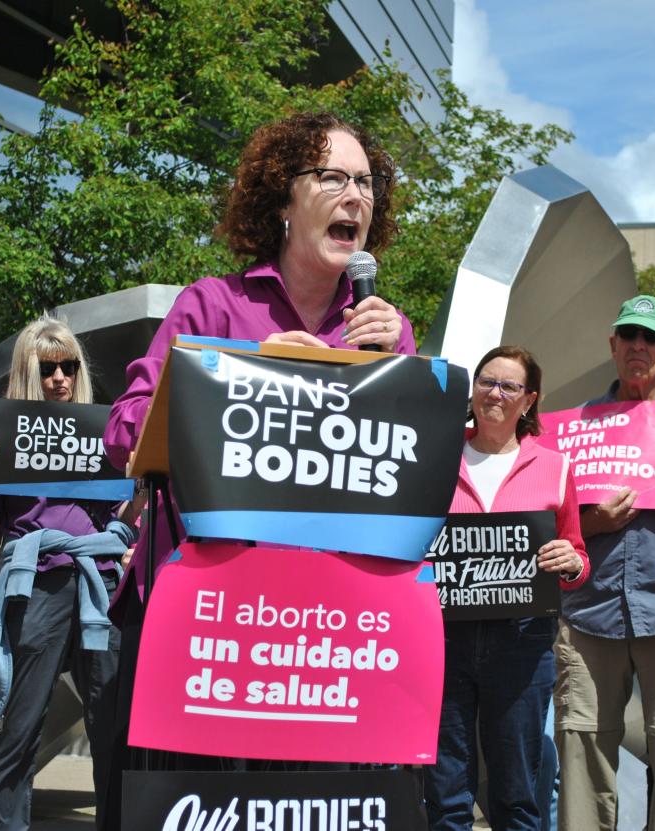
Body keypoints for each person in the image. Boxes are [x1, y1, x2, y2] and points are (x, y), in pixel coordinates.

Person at [103, 111, 416, 828]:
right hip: (209, 625)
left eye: (366, 182)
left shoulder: (383, 331)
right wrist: (242, 377)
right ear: (282, 199)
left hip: (327, 636)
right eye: (332, 177)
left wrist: (398, 369)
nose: (355, 196)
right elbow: (125, 435)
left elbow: (408, 480)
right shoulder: (211, 305)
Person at [0, 315, 133, 831]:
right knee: (20, 725)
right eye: (47, 367)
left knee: (112, 728)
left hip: (100, 585)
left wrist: (136, 501)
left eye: (68, 366)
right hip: (35, 584)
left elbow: (121, 516)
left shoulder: (108, 436)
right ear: (28, 372)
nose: (59, 377)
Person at [424, 346, 589, 831]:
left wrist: (570, 562)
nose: (495, 393)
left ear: (529, 400)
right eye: (486, 381)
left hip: (522, 640)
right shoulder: (435, 454)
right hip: (444, 636)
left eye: (509, 386)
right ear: (472, 389)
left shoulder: (554, 467)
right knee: (446, 788)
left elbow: (578, 555)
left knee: (517, 792)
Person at [554, 294, 655, 831]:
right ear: (613, 346)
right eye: (629, 336)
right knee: (582, 743)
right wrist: (592, 525)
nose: (639, 346)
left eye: (651, 338)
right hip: (589, 611)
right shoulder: (572, 430)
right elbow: (543, 526)